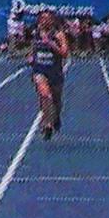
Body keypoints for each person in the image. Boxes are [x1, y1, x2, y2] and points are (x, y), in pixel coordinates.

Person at [28, 9, 69, 141]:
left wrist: (53, 45)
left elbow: (65, 53)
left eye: (48, 18)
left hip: (55, 71)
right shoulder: (36, 34)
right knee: (45, 96)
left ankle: (55, 117)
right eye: (42, 18)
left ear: (52, 20)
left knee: (56, 101)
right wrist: (30, 57)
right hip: (39, 70)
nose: (45, 21)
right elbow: (33, 49)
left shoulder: (58, 35)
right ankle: (47, 124)